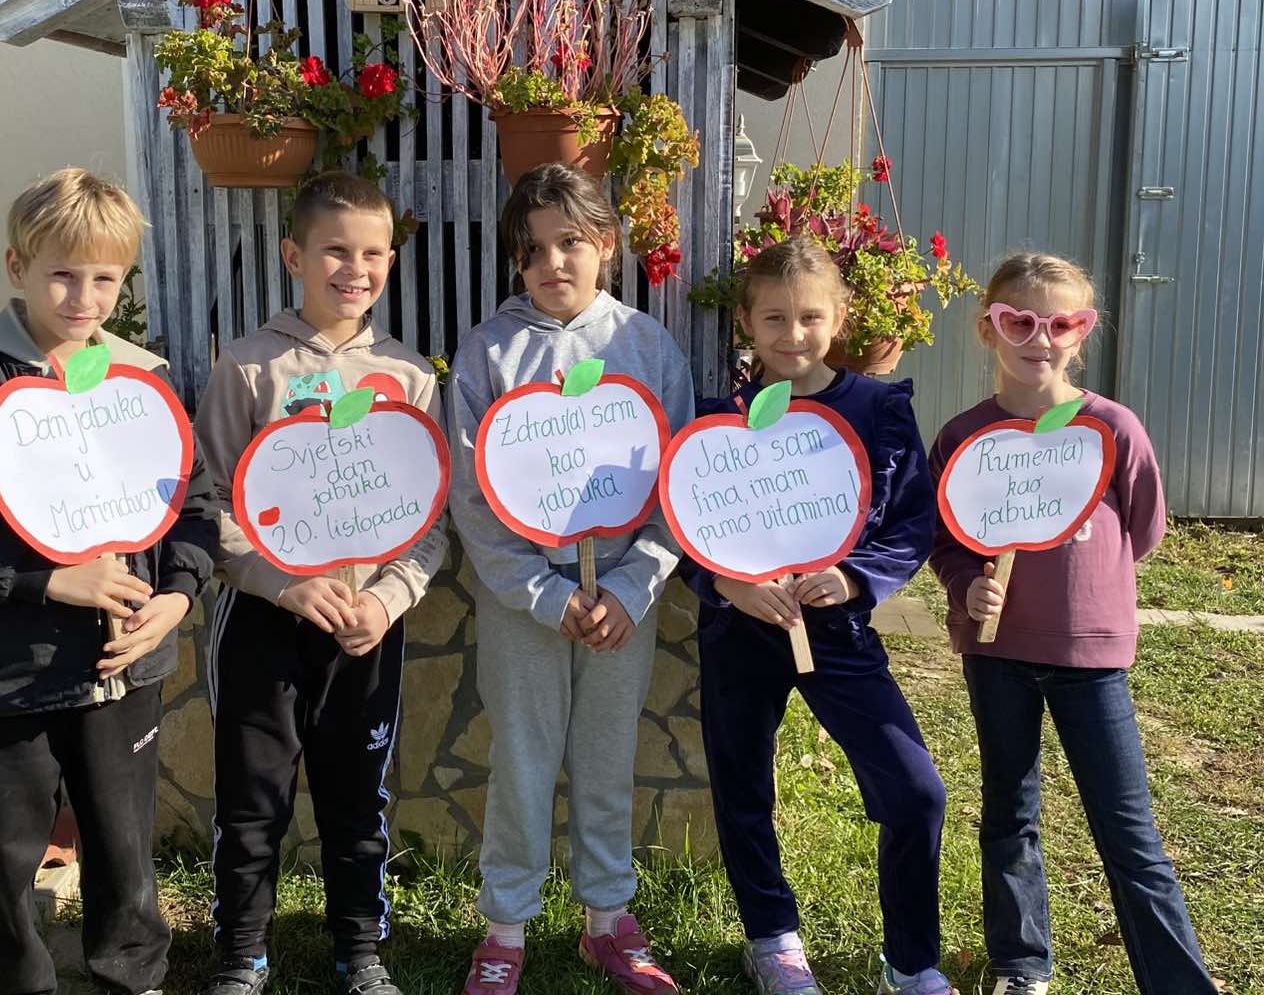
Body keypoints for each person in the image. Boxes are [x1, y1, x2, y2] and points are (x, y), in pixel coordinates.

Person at [0, 167, 215, 995]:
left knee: (124, 849)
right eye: (63, 274)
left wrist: (176, 597)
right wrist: (44, 581)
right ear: (17, 267)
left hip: (122, 672)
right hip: (9, 677)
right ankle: (13, 982)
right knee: (4, 856)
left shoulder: (145, 384)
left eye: (105, 278)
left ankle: (130, 977)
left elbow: (193, 506)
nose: (84, 297)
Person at [929, 252, 1217, 995]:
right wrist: (966, 587)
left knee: (1127, 830)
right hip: (997, 655)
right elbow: (947, 538)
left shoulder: (1112, 427)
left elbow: (1143, 528)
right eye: (1019, 321)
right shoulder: (964, 437)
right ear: (988, 328)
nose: (1041, 339)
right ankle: (1021, 966)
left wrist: (1090, 588)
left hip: (1091, 657)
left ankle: (1178, 983)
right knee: (1009, 813)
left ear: (1082, 333)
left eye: (1062, 324)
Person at [195, 171, 449, 995]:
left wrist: (387, 598)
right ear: (292, 256)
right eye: (336, 250)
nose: (356, 269)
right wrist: (278, 582)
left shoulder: (410, 379)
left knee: (357, 796)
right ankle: (242, 953)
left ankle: (359, 949)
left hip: (365, 629)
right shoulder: (247, 368)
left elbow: (430, 524)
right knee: (252, 796)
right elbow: (210, 505)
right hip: (263, 624)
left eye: (374, 254)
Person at [448, 162, 694, 995]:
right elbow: (473, 497)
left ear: (608, 245)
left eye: (570, 243)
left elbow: (679, 486)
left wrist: (631, 588)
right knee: (520, 761)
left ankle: (607, 919)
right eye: (533, 250)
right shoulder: (489, 352)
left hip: (621, 600)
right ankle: (505, 928)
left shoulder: (647, 348)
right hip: (526, 605)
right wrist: (544, 595)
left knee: (606, 759)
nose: (553, 262)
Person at [689, 235, 950, 995]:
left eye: (810, 317)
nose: (793, 335)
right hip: (742, 630)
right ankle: (772, 938)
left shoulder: (876, 409)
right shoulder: (720, 422)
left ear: (838, 318)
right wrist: (725, 585)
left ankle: (911, 962)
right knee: (743, 786)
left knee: (916, 792)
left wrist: (855, 577)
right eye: (774, 318)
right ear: (746, 322)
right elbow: (686, 524)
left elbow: (911, 523)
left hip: (837, 632)